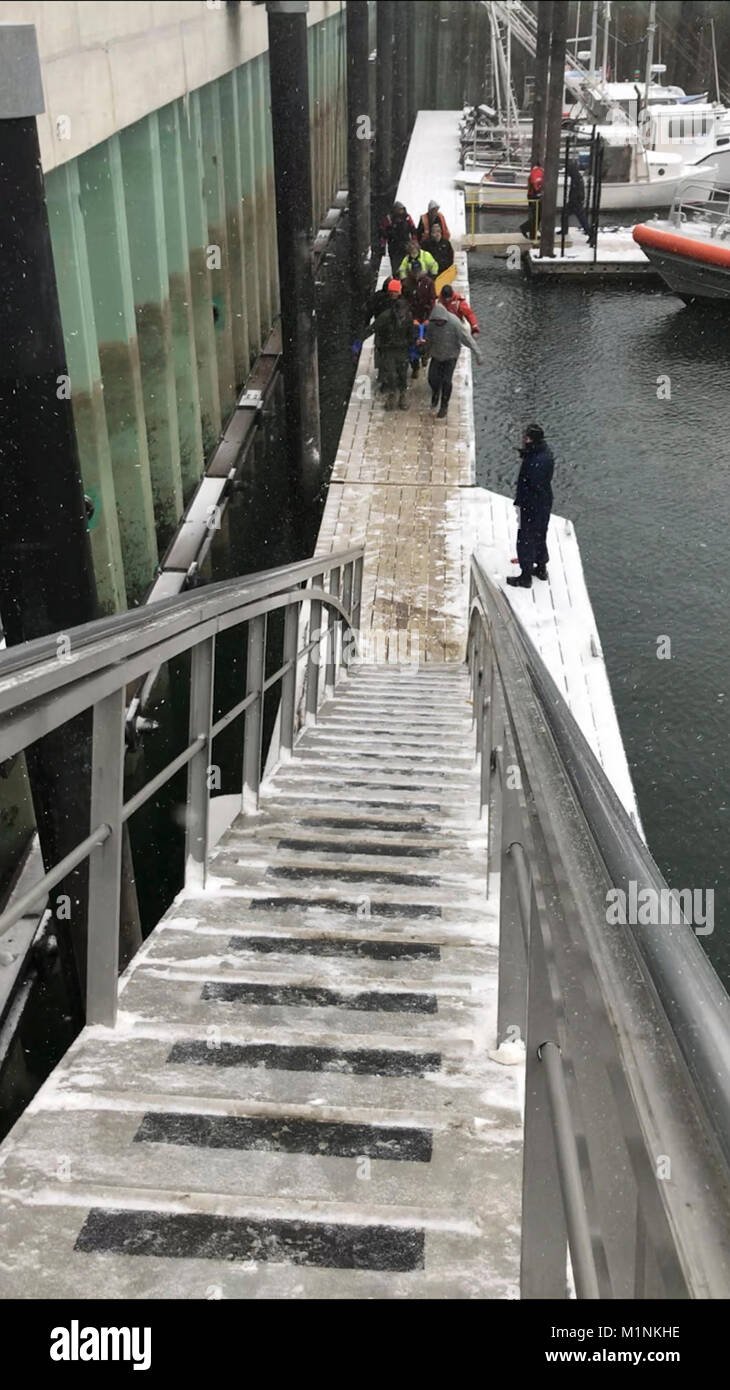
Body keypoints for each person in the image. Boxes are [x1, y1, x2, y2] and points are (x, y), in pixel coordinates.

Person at [506, 424, 554, 589]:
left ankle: (525, 576)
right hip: (543, 504)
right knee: (540, 535)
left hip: (531, 506)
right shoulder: (545, 453)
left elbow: (531, 485)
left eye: (526, 437)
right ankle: (541, 568)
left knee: (526, 538)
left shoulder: (536, 460)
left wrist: (521, 503)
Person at [363, 279, 414, 412]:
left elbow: (411, 333)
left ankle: (402, 395)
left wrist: (413, 346)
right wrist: (359, 341)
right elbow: (373, 327)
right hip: (389, 347)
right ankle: (392, 394)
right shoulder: (385, 314)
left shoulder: (408, 317)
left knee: (402, 373)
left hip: (402, 348)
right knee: (390, 373)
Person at [425, 301, 482, 419]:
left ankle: (444, 406)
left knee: (446, 381)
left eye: (441, 322)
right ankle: (435, 395)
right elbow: (429, 339)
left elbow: (467, 339)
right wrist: (426, 353)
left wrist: (478, 354)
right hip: (436, 355)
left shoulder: (455, 323)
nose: (439, 323)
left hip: (451, 356)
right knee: (432, 379)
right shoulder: (431, 325)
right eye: (437, 322)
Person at [401, 270, 435, 378]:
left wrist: (428, 317)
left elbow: (432, 300)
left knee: (426, 340)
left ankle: (425, 356)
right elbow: (404, 301)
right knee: (412, 343)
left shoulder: (429, 283)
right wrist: (410, 316)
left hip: (425, 317)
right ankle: (415, 366)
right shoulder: (407, 284)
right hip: (413, 317)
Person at [379, 201, 417, 270]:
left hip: (406, 246)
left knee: (407, 266)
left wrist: (414, 242)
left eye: (401, 209)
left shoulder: (407, 218)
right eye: (399, 209)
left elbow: (413, 230)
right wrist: (383, 246)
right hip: (394, 247)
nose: (400, 211)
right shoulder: (389, 219)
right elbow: (383, 234)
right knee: (396, 267)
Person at [562, 159, 591, 238]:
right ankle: (564, 230)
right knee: (566, 214)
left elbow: (576, 190)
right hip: (576, 201)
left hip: (575, 202)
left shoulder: (575, 177)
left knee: (582, 219)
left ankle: (591, 234)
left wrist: (573, 200)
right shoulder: (577, 176)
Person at [521, 162, 544, 240]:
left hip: (533, 196)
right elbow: (535, 182)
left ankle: (532, 231)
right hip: (534, 197)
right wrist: (538, 192)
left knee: (537, 215)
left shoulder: (537, 171)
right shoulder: (537, 171)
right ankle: (525, 228)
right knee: (537, 216)